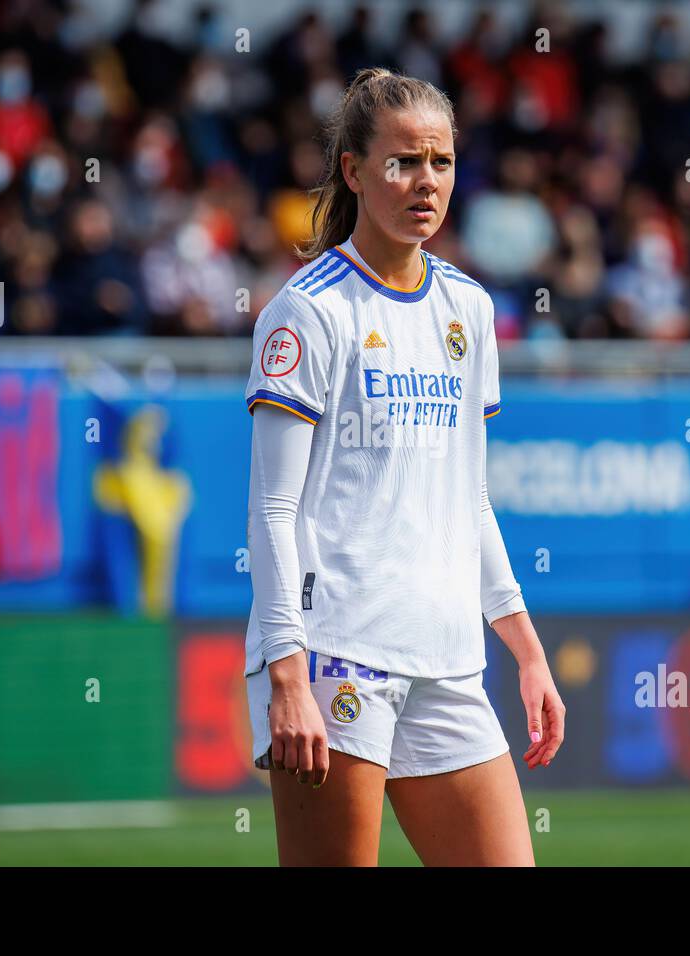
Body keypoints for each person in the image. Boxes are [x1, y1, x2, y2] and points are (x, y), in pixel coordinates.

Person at [241, 68, 564, 866]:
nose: (427, 183)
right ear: (354, 171)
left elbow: (471, 499)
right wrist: (286, 674)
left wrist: (525, 649)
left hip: (449, 658)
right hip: (335, 654)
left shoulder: (471, 309)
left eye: (442, 163)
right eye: (403, 163)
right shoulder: (307, 313)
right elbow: (272, 511)